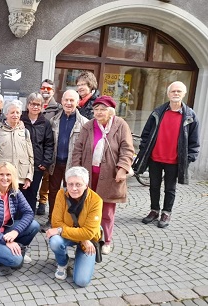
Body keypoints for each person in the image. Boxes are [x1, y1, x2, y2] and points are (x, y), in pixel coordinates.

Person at [71, 95, 134, 255]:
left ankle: (106, 240)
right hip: (89, 175)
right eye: (96, 109)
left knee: (107, 211)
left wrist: (122, 168)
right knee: (85, 207)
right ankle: (85, 236)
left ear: (111, 111)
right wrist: (75, 172)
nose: (98, 112)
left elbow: (127, 149)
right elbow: (78, 148)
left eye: (102, 109)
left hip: (110, 175)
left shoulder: (121, 125)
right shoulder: (89, 126)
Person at [134, 81, 200, 228]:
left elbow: (194, 141)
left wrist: (189, 158)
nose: (176, 94)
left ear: (184, 94)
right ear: (168, 93)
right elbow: (146, 134)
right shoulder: (157, 112)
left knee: (170, 189)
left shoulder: (190, 116)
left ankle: (166, 212)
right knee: (154, 186)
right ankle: (154, 210)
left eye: (179, 91)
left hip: (175, 161)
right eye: (173, 91)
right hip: (155, 158)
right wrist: (144, 149)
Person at [40, 90, 88, 232]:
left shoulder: (84, 123)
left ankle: (72, 221)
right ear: (61, 101)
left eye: (72, 100)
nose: (68, 103)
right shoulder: (54, 120)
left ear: (78, 102)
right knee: (53, 192)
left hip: (73, 165)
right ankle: (52, 219)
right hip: (56, 163)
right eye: (66, 100)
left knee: (74, 193)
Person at [46, 166, 102, 287]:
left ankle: (80, 259)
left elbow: (88, 233)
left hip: (89, 239)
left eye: (78, 184)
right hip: (77, 236)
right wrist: (82, 237)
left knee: (81, 282)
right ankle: (63, 263)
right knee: (55, 241)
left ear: (86, 185)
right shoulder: (61, 194)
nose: (74, 188)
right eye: (70, 184)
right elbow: (56, 222)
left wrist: (83, 238)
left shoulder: (96, 200)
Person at [0, 100, 34, 199]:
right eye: (12, 112)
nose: (15, 115)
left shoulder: (25, 132)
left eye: (17, 112)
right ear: (6, 114)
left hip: (20, 179)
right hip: (3, 179)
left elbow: (30, 156)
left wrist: (29, 176)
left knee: (19, 210)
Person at [20, 92, 54, 213]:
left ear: (42, 106)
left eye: (38, 105)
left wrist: (45, 162)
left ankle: (29, 218)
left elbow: (49, 144)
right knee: (19, 191)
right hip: (21, 163)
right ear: (27, 105)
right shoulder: (20, 119)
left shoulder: (45, 123)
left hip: (37, 165)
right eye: (32, 104)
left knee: (32, 192)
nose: (35, 107)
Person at [38, 79, 62, 215]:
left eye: (48, 89)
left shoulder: (58, 107)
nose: (45, 91)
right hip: (36, 145)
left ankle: (42, 201)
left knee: (47, 177)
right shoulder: (35, 104)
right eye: (43, 88)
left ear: (53, 91)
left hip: (50, 146)